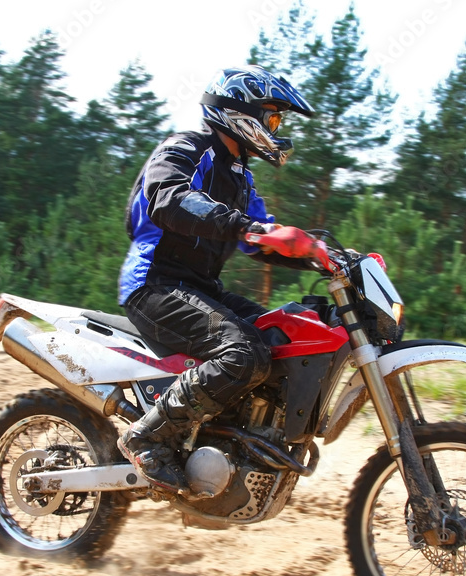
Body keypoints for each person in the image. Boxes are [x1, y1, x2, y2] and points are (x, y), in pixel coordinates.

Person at [116, 65, 317, 495]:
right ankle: (147, 437)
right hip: (154, 284)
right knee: (243, 353)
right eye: (273, 117)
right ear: (241, 113)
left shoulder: (241, 177)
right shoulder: (186, 147)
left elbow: (264, 238)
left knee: (284, 337)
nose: (276, 128)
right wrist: (249, 228)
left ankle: (229, 443)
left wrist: (327, 256)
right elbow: (167, 199)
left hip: (200, 288)